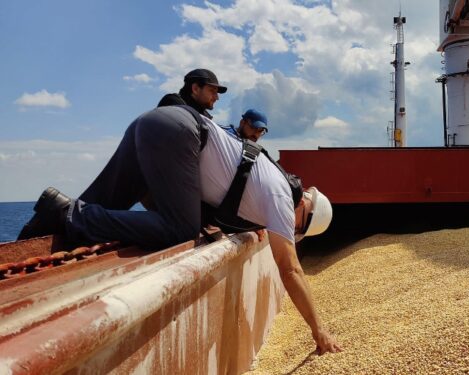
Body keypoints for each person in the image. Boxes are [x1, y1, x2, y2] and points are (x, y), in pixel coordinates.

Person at [17, 104, 342, 354]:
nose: (290, 231)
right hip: (180, 134)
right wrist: (319, 330)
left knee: (102, 205)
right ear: (304, 211)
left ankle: (45, 225)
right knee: (179, 230)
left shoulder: (270, 179)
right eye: (297, 229)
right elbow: (291, 271)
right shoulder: (283, 198)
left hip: (158, 123)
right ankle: (65, 210)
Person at [157, 68, 226, 119]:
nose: (217, 98)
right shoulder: (173, 105)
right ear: (195, 89)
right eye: (212, 91)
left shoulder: (203, 114)